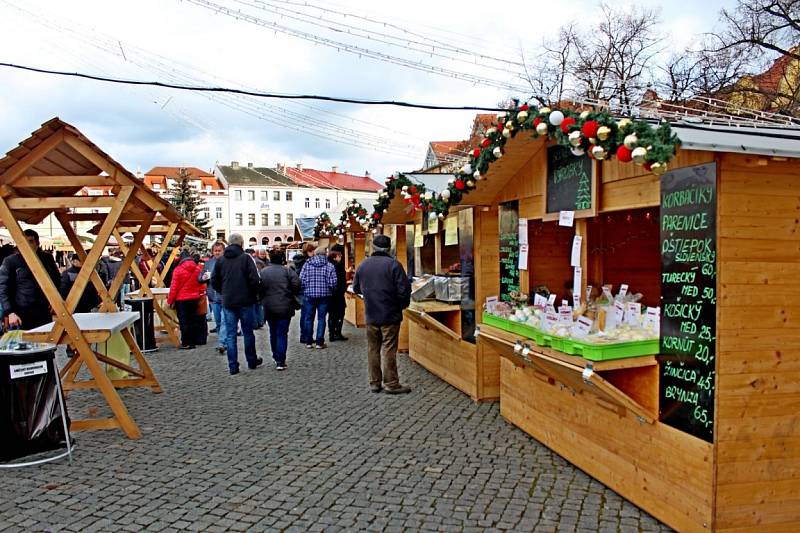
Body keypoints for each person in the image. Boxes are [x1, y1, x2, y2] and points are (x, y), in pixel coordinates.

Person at [352, 235, 412, 394]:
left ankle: (374, 382)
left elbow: (356, 288)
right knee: (389, 349)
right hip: (390, 314)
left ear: (373, 247)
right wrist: (401, 305)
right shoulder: (394, 265)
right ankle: (391, 383)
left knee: (373, 349)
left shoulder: (363, 265)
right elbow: (404, 290)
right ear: (389, 248)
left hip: (371, 314)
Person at [211, 233, 263, 375]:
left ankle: (233, 366)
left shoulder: (221, 260)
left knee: (230, 334)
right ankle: (251, 361)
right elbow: (254, 279)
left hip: (228, 301)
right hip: (246, 301)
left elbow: (214, 280)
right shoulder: (246, 258)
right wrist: (253, 293)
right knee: (248, 332)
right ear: (241, 244)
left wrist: (223, 291)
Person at [0, 229, 61, 330]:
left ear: (37, 243)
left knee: (46, 343)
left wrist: (56, 300)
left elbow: (57, 280)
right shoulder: (10, 261)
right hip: (20, 313)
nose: (27, 244)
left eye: (31, 241)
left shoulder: (47, 258)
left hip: (43, 311)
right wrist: (9, 312)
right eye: (24, 241)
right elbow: (3, 288)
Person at [259, 249, 301, 370]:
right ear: (282, 259)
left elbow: (259, 287)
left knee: (273, 332)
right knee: (282, 333)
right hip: (285, 305)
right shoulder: (287, 271)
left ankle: (276, 355)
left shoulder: (263, 272)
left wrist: (262, 298)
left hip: (269, 306)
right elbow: (297, 284)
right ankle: (281, 361)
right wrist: (290, 293)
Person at [299, 246, 337, 349]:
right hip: (324, 296)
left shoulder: (307, 264)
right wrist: (330, 289)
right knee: (321, 318)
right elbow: (333, 283)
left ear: (315, 254)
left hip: (309, 295)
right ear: (325, 254)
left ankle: (308, 342)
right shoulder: (329, 266)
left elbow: (301, 280)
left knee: (309, 318)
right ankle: (319, 342)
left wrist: (306, 288)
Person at [166, 249, 206, 350]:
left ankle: (186, 342)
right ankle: (193, 342)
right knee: (193, 320)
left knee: (184, 321)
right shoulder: (197, 269)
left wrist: (169, 301)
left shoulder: (178, 270)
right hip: (194, 298)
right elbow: (200, 283)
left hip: (181, 300)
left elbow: (174, 288)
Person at [202, 241, 227, 354]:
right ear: (212, 252)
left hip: (225, 296)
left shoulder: (228, 262)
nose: (217, 253)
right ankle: (222, 339)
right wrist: (204, 277)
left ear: (223, 251)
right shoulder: (208, 264)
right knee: (218, 321)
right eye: (215, 251)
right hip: (213, 297)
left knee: (224, 320)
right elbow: (199, 278)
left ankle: (222, 342)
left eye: (219, 251)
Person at [291, 242, 316, 344]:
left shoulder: (298, 261)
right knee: (307, 314)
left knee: (304, 314)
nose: (314, 253)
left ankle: (304, 335)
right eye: (312, 251)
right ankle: (305, 336)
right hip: (305, 289)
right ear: (308, 251)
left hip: (300, 290)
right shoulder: (306, 262)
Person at [327, 244, 348, 342]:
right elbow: (341, 281)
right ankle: (337, 333)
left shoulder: (327, 265)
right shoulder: (338, 267)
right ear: (335, 257)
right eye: (340, 256)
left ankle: (331, 334)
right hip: (338, 295)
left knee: (332, 314)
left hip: (330, 295)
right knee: (340, 314)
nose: (341, 257)